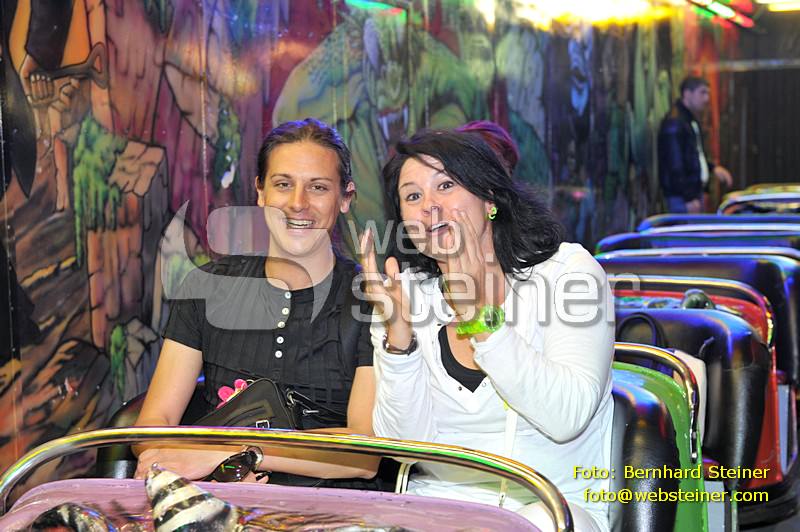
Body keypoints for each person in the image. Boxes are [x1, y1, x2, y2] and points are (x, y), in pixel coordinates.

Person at [361, 129, 614, 531]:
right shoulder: (406, 294)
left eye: (446, 185)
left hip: (548, 507)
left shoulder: (568, 275)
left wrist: (480, 318)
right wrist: (400, 340)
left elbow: (567, 416)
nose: (429, 206)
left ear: (490, 198)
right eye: (412, 196)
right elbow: (405, 449)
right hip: (438, 510)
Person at [134, 118, 379, 485]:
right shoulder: (208, 287)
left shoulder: (371, 299)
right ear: (260, 192)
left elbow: (364, 454)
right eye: (283, 185)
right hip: (218, 499)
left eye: (318, 187)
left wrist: (235, 454)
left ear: (345, 198)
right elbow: (154, 426)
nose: (298, 203)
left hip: (335, 506)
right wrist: (215, 475)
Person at [658, 76, 733, 213]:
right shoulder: (675, 122)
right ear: (687, 94)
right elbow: (674, 164)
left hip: (692, 194)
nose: (706, 98)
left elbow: (694, 154)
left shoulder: (688, 119)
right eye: (702, 92)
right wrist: (688, 197)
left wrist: (712, 168)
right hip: (682, 198)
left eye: (708, 93)